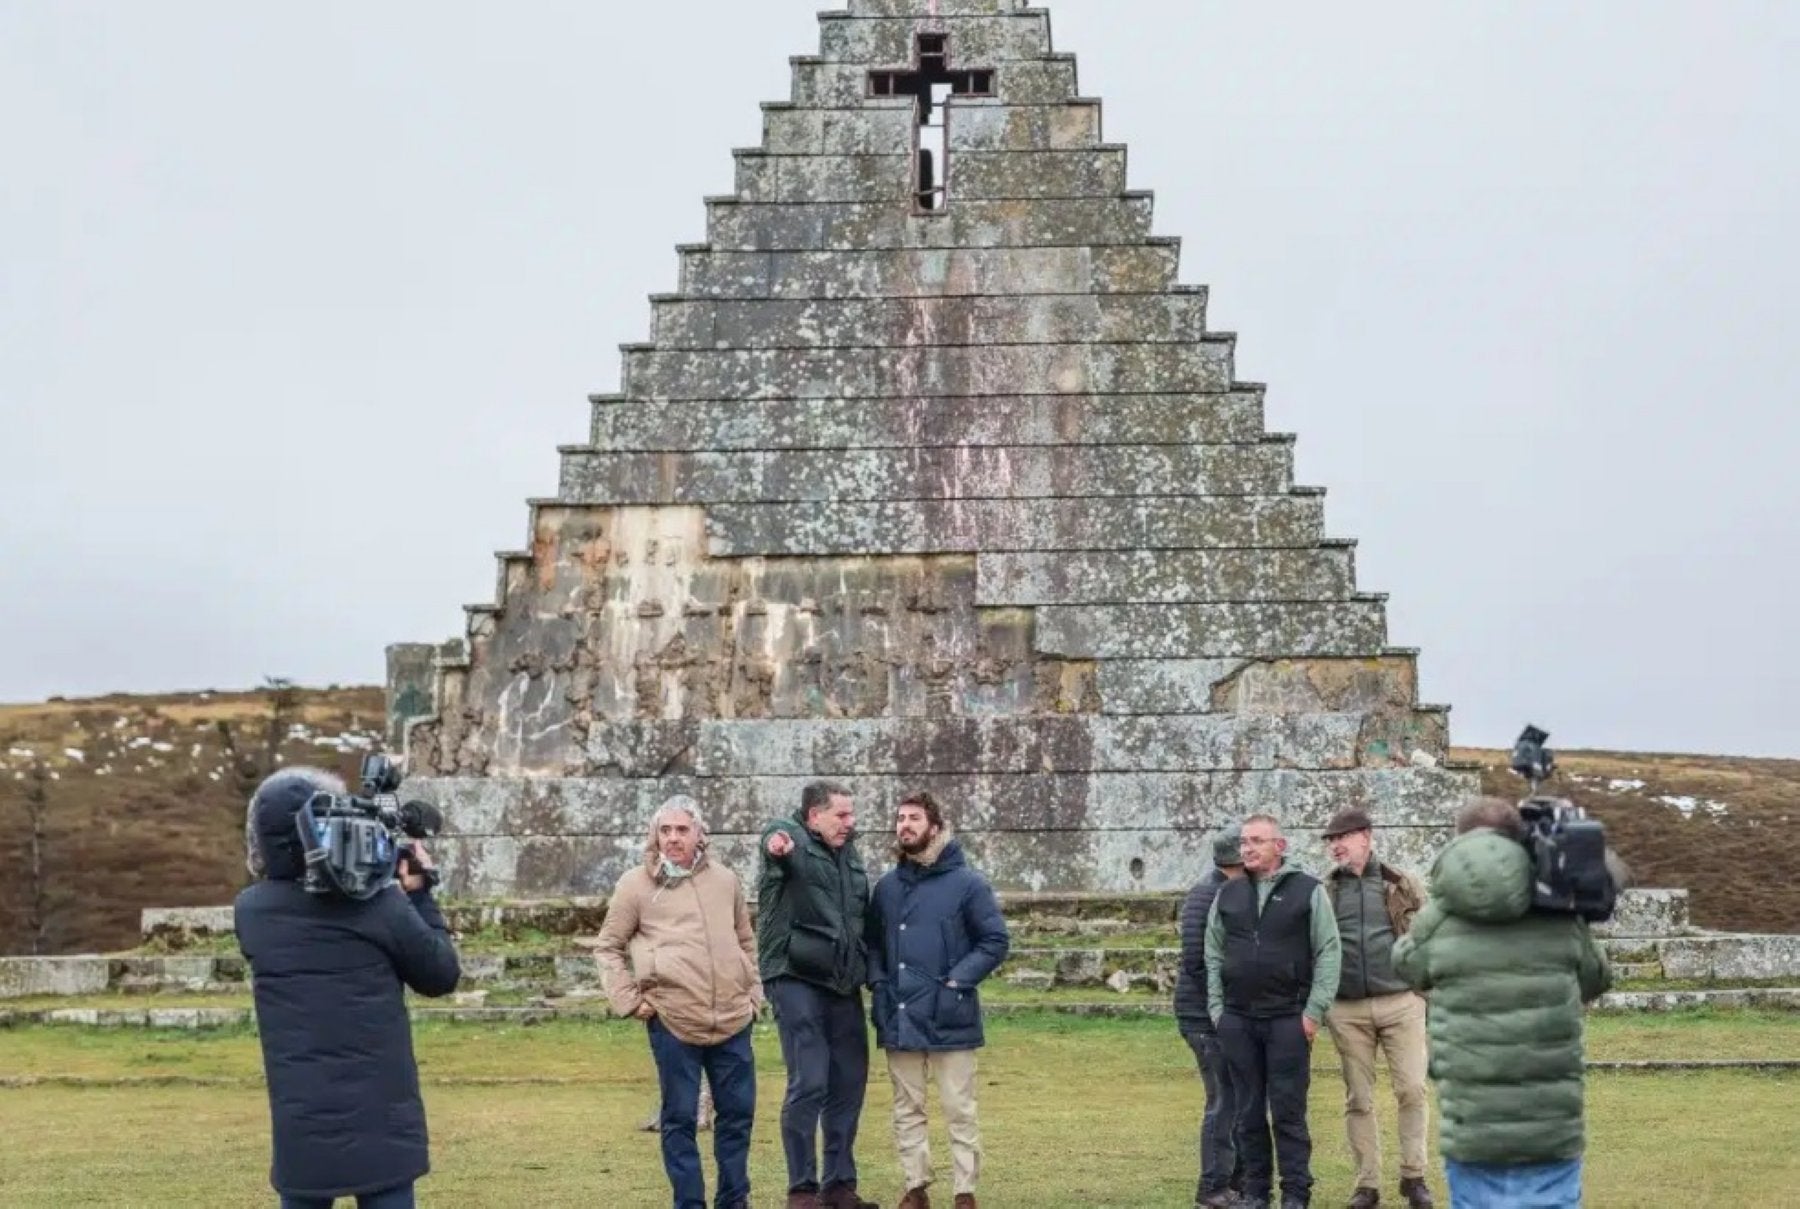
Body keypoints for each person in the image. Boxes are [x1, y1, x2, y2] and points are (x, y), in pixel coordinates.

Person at [234, 768, 461, 1209]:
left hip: (302, 1123)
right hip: (384, 1124)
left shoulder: (252, 913)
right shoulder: (380, 906)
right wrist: (419, 894)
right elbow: (440, 975)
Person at [1393, 798, 1613, 1209]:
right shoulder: (1558, 914)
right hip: (1550, 1123)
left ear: (1459, 842)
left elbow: (1406, 964)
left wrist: (1442, 909)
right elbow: (1598, 977)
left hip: (1473, 1124)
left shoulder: (1442, 916)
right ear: (1519, 842)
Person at [597, 795, 760, 1209]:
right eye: (665, 830)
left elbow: (746, 940)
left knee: (738, 1119)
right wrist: (630, 1001)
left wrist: (753, 994)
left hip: (732, 1018)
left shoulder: (725, 880)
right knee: (680, 1120)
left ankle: (734, 1201)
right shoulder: (634, 884)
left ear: (699, 834)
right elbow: (608, 947)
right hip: (673, 1020)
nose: (673, 838)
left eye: (682, 830)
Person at [866, 792, 1011, 1209]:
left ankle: (965, 1191)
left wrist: (955, 983)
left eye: (913, 818)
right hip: (899, 1013)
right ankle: (916, 1185)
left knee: (958, 1108)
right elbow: (873, 944)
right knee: (906, 1108)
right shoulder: (888, 887)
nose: (904, 825)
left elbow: (995, 940)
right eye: (899, 818)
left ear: (934, 825)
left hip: (951, 1014)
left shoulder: (969, 884)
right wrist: (877, 984)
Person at [1206, 814, 1342, 1209]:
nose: (1247, 848)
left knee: (1288, 1112)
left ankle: (1296, 1192)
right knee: (1247, 1112)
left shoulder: (1308, 891)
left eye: (1257, 841)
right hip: (1238, 1019)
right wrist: (1218, 1010)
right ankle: (1256, 1191)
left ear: (1279, 846)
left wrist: (1313, 1012)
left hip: (1288, 1018)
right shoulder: (1227, 895)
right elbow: (1212, 953)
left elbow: (1329, 951)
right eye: (1244, 842)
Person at [759, 781, 878, 1209]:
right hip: (794, 975)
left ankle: (839, 1186)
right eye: (841, 815)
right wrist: (775, 846)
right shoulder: (791, 840)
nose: (851, 822)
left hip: (842, 980)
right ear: (814, 816)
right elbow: (775, 843)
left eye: (851, 814)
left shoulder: (851, 855)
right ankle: (802, 1191)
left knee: (848, 1082)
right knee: (809, 1080)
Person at [1321, 808, 1433, 1209]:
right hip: (1346, 1009)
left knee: (1412, 1089)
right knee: (1359, 1099)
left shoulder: (1402, 883)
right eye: (1331, 840)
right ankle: (1366, 1185)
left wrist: (1427, 992)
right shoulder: (1324, 891)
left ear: (1366, 836)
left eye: (1342, 837)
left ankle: (1414, 1177)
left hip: (1402, 1002)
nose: (1335, 845)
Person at [1176, 824, 1249, 1208]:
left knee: (1234, 1098)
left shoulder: (1225, 891)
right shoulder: (1207, 896)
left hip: (1218, 1016)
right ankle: (1213, 1188)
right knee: (1223, 1101)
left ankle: (1234, 1181)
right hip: (1204, 1019)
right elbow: (1196, 961)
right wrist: (1225, 1006)